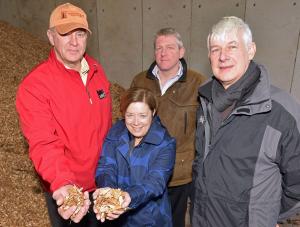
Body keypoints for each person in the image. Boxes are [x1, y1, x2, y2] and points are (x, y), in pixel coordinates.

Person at [191, 16, 300, 227]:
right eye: (215, 49)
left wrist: (267, 216)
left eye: (232, 46)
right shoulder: (205, 100)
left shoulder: (281, 112)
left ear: (251, 50)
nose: (223, 56)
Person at [15, 3, 112, 226]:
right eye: (65, 34)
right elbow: (43, 143)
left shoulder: (96, 71)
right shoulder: (35, 86)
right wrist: (64, 184)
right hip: (69, 191)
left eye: (80, 34)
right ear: (51, 37)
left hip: (102, 184)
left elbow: (106, 127)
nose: (74, 42)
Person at [131, 27, 206, 227]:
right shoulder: (140, 81)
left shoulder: (198, 83)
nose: (163, 53)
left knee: (175, 222)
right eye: (159, 48)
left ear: (181, 52)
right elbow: (128, 122)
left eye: (170, 47)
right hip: (144, 172)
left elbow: (206, 131)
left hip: (178, 175)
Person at [93, 87, 176, 226]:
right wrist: (108, 191)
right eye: (130, 115)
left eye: (143, 116)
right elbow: (106, 166)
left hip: (149, 218)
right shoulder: (115, 132)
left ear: (153, 112)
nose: (136, 122)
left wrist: (128, 197)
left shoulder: (165, 143)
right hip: (117, 219)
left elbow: (155, 182)